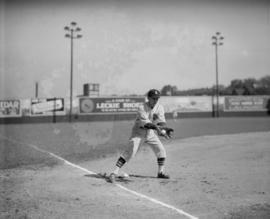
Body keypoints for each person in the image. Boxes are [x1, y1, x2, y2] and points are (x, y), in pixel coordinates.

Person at [108, 89, 170, 183]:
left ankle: (160, 172)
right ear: (148, 98)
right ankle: (114, 173)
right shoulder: (142, 107)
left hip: (150, 133)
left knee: (161, 150)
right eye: (154, 98)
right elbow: (148, 124)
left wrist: (164, 129)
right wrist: (158, 129)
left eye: (157, 98)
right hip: (139, 132)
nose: (156, 100)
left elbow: (161, 122)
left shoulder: (159, 107)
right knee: (130, 151)